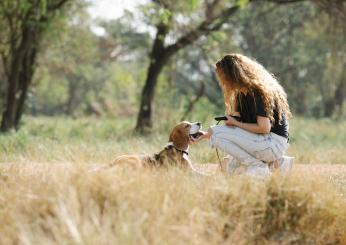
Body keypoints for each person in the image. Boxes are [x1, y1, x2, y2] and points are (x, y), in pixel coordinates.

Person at [195, 53, 293, 177]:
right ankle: (277, 164)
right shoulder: (240, 94)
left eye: (223, 76)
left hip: (273, 143)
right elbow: (237, 127)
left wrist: (235, 123)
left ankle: (258, 166)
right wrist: (205, 135)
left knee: (217, 134)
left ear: (233, 75)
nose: (221, 81)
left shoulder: (258, 92)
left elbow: (264, 128)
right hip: (261, 141)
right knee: (228, 167)